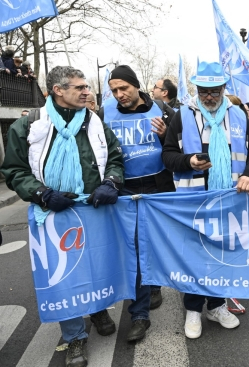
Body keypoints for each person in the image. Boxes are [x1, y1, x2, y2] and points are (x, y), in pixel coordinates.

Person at [0, 65, 124, 367]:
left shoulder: (96, 123)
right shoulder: (28, 126)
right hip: (51, 213)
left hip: (94, 211)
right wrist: (42, 194)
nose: (87, 91)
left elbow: (116, 159)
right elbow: (14, 171)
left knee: (97, 267)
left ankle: (97, 309)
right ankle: (75, 337)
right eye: (80, 87)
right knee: (62, 278)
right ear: (59, 90)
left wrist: (111, 183)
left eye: (86, 87)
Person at [161, 61, 249, 339]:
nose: (209, 96)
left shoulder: (239, 117)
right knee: (194, 255)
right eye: (204, 90)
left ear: (223, 88)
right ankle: (193, 309)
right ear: (196, 89)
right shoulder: (182, 116)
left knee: (221, 255)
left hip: (230, 199)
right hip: (193, 201)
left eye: (214, 90)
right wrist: (188, 161)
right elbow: (167, 156)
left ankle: (216, 305)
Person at [101, 65, 176, 338]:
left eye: (124, 88)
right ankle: (140, 315)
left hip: (158, 186)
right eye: (114, 91)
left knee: (154, 242)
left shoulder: (162, 110)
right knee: (134, 247)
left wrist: (165, 134)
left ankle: (153, 283)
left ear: (136, 85)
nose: (119, 94)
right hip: (123, 189)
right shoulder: (104, 112)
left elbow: (179, 147)